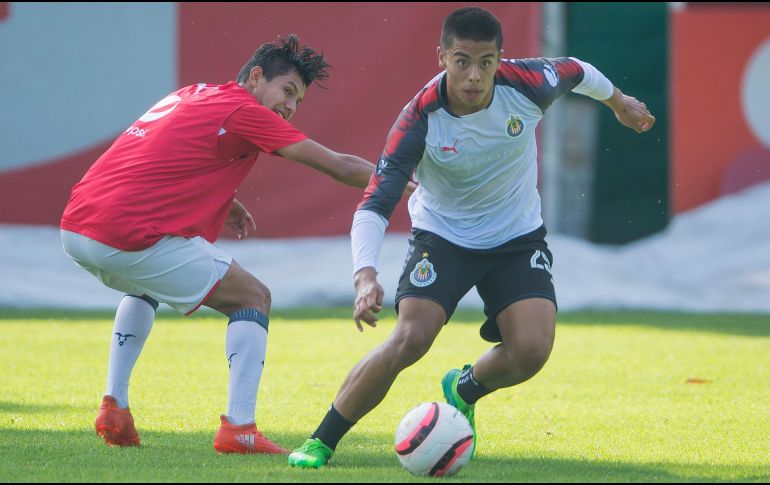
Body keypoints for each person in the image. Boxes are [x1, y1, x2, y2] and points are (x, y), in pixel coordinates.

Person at [288, 7, 655, 468]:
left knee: (532, 351)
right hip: (443, 237)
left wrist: (618, 100)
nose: (474, 76)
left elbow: (579, 71)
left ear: (500, 58)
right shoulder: (418, 119)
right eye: (462, 60)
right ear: (441, 56)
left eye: (486, 62)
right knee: (411, 338)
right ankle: (321, 441)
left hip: (516, 237)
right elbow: (374, 205)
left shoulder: (528, 83)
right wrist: (364, 276)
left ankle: (464, 389)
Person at [60, 35, 409, 454]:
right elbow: (337, 165)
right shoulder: (244, 110)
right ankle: (238, 429)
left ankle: (114, 406)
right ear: (256, 76)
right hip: (124, 230)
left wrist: (224, 201)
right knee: (253, 297)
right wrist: (410, 186)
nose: (291, 107)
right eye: (288, 91)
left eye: (298, 101)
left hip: (77, 227)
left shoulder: (193, 93)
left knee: (145, 284)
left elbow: (158, 152)